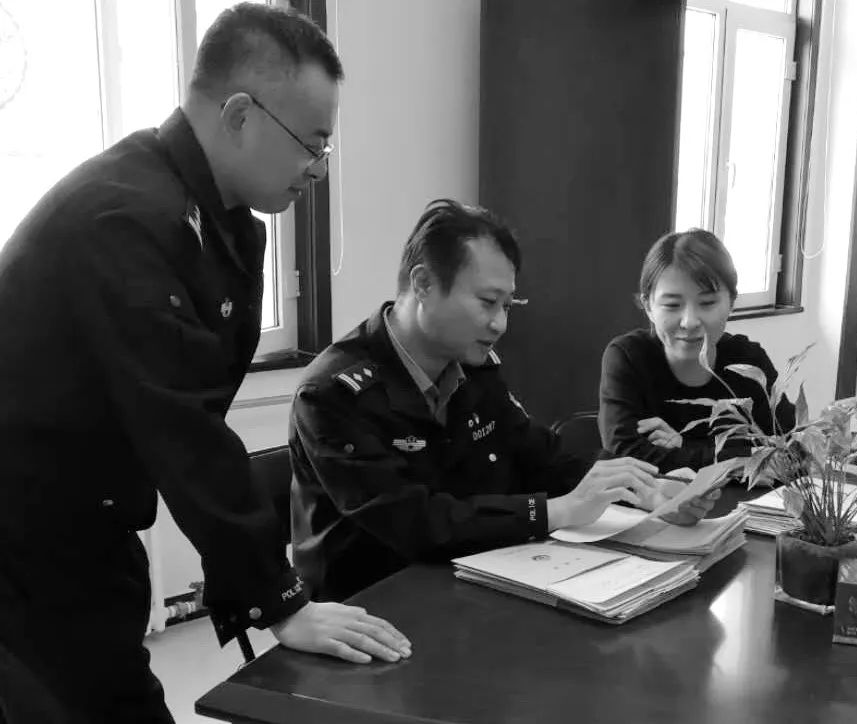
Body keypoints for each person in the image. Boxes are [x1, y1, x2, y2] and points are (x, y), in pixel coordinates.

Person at [0, 5, 408, 723]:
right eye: (311, 143)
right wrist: (280, 600)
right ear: (241, 115)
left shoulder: (221, 223)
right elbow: (181, 423)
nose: (319, 168)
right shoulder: (125, 217)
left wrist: (250, 579)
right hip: (23, 535)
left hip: (91, 525)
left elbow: (195, 405)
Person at [290, 200, 718, 602]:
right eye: (488, 303)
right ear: (423, 284)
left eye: (508, 305)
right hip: (375, 607)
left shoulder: (473, 368)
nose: (500, 324)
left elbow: (542, 459)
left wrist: (646, 491)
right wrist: (555, 512)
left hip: (471, 583)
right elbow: (416, 523)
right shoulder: (333, 394)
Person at [599, 229, 795, 473]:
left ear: (731, 303)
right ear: (648, 305)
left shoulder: (747, 361)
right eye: (672, 305)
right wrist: (743, 457)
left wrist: (685, 447)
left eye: (707, 303)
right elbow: (626, 456)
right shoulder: (628, 357)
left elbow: (793, 450)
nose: (690, 321)